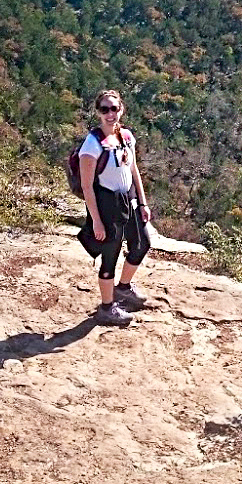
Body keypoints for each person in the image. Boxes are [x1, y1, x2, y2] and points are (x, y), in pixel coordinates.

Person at [76, 89, 152, 326]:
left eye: (114, 108)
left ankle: (123, 288)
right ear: (98, 112)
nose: (110, 114)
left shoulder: (126, 137)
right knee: (110, 256)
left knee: (142, 244)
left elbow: (134, 170)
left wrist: (142, 202)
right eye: (105, 109)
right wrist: (96, 221)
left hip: (128, 199)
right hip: (107, 204)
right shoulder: (92, 145)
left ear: (122, 109)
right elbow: (87, 187)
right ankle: (107, 308)